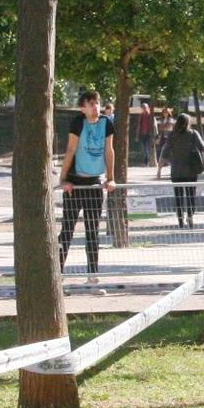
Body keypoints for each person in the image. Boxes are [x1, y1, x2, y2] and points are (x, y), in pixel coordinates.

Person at [58, 89, 115, 275]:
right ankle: (57, 273)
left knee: (92, 231)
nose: (95, 107)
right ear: (82, 108)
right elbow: (71, 149)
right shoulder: (78, 122)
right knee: (67, 230)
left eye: (97, 103)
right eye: (90, 104)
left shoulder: (106, 123)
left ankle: (93, 275)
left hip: (93, 184)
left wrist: (110, 178)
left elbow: (109, 150)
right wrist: (63, 178)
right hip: (75, 182)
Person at [163, 113, 204, 227]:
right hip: (191, 169)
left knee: (178, 196)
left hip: (176, 171)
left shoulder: (172, 135)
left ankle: (180, 219)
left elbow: (165, 153)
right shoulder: (193, 134)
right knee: (190, 195)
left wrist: (173, 160)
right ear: (188, 123)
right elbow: (203, 147)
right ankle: (190, 215)